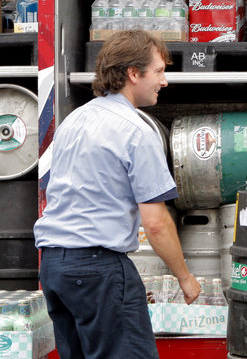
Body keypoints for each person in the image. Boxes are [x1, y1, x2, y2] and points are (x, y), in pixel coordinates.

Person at [34, 30, 200, 359]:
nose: (164, 81)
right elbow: (156, 222)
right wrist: (185, 277)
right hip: (97, 270)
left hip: (54, 267)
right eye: (159, 71)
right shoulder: (136, 130)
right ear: (133, 74)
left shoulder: (73, 120)